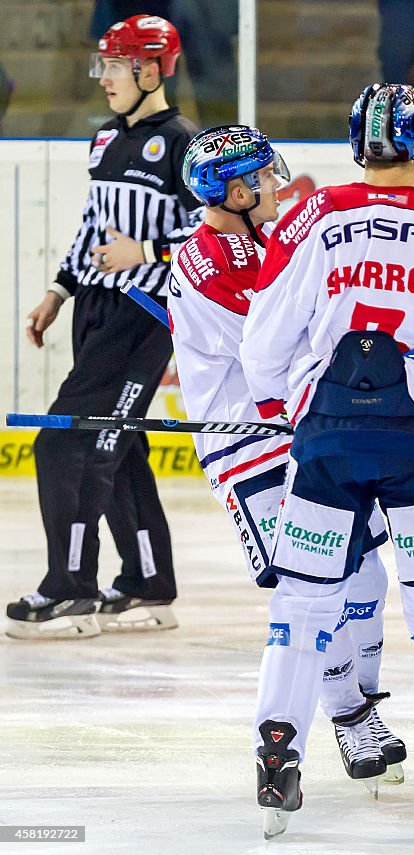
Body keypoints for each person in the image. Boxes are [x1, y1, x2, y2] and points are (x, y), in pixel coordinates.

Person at [238, 83, 414, 843]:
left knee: (300, 606)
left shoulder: (311, 214)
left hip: (329, 438)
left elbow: (263, 345)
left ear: (355, 143)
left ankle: (277, 759)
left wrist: (286, 403)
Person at [169, 124, 407, 795]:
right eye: (264, 177)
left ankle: (361, 703)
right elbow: (281, 351)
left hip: (307, 436)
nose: (277, 183)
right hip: (252, 451)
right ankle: (349, 715)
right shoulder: (214, 263)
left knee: (364, 577)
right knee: (316, 586)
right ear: (237, 189)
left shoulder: (253, 242)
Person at [7, 14, 201, 640]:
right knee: (120, 446)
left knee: (67, 440)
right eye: (103, 66)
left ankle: (72, 589)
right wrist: (58, 291)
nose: (104, 78)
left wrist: (145, 253)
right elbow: (93, 228)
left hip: (143, 317)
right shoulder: (103, 139)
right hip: (96, 311)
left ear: (150, 69)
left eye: (115, 66)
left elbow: (211, 236)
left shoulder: (184, 145)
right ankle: (148, 583)